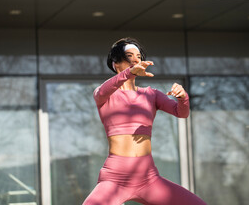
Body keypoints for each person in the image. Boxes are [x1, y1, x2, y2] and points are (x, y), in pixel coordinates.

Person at [83, 37, 206, 205]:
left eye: (139, 56)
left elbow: (181, 113)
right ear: (115, 63)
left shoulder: (151, 94)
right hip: (115, 178)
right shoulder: (104, 94)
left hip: (148, 178)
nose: (136, 59)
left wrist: (183, 98)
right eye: (129, 56)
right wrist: (129, 73)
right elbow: (103, 90)